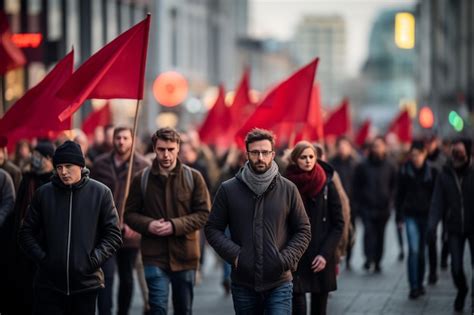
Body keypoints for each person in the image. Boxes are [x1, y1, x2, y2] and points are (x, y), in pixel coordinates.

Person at [205, 128, 311, 314]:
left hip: (279, 281)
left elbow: (303, 229)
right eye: (255, 152)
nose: (260, 157)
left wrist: (285, 259)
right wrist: (236, 256)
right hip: (243, 281)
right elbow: (213, 228)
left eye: (265, 152)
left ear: (273, 154)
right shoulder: (228, 189)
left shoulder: (288, 189)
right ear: (247, 154)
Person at [18, 140, 122, 315]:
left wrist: (92, 261)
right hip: (49, 286)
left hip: (86, 285)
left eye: (68, 166)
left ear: (80, 166)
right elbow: (25, 233)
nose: (63, 172)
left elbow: (113, 235)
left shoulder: (101, 193)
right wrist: (44, 260)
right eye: (59, 167)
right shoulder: (43, 194)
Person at [124, 127, 211, 315]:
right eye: (161, 149)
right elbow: (129, 214)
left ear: (178, 148)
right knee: (157, 308)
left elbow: (204, 214)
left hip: (185, 256)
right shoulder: (142, 179)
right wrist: (148, 224)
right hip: (153, 255)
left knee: (183, 309)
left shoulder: (193, 177)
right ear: (154, 149)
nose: (166, 154)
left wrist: (175, 225)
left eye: (170, 149)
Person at [91, 126, 151, 315]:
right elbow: (92, 197)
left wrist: (138, 224)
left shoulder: (142, 166)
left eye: (125, 138)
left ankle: (123, 312)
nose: (121, 142)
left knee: (126, 278)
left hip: (130, 233)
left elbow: (148, 200)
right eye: (118, 137)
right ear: (113, 139)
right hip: (105, 231)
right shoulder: (99, 164)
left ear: (132, 140)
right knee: (105, 276)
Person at [285, 141, 344, 315]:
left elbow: (338, 223)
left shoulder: (327, 183)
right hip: (296, 256)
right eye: (303, 157)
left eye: (311, 157)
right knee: (298, 308)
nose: (308, 161)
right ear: (295, 160)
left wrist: (325, 254)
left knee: (319, 309)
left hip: (320, 255)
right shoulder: (286, 184)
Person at [429, 138, 474, 313]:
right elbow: (437, 202)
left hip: (473, 227)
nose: (457, 155)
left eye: (461, 152)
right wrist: (432, 226)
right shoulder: (444, 174)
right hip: (454, 228)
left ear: (468, 153)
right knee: (456, 268)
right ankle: (462, 290)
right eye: (454, 152)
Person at [395, 141, 437, 299]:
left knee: (421, 252)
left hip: (427, 216)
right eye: (412, 155)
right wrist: (399, 217)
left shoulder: (432, 172)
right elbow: (399, 195)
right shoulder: (405, 171)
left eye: (418, 155)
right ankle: (413, 286)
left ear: (424, 154)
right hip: (410, 215)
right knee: (413, 250)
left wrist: (436, 217)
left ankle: (420, 283)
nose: (415, 158)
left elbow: (436, 197)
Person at [353, 136, 397, 273]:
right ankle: (368, 258)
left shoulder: (390, 165)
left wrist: (390, 201)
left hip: (383, 207)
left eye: (379, 146)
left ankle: (378, 260)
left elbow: (394, 186)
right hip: (367, 207)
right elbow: (356, 186)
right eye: (374, 146)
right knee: (368, 233)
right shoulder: (362, 165)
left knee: (380, 235)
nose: (376, 149)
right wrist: (359, 204)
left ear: (384, 147)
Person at [329, 136, 358, 270]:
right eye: (340, 147)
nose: (342, 149)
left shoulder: (355, 164)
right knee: (338, 230)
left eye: (345, 146)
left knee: (350, 231)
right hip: (336, 203)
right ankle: (338, 255)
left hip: (352, 203)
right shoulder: (332, 164)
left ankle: (349, 257)